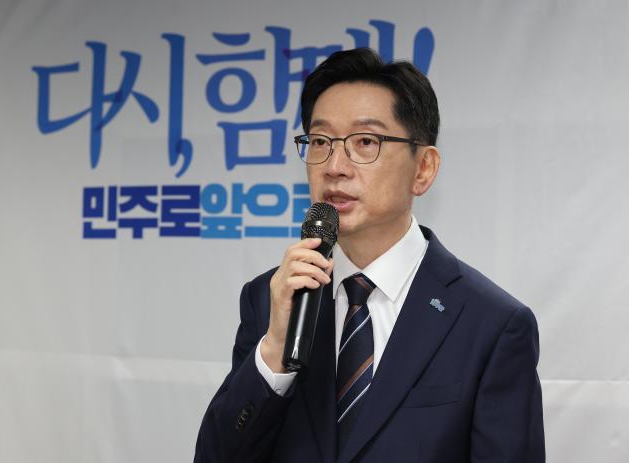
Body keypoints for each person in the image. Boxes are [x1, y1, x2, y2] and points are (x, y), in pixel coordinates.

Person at [193, 47, 545, 463]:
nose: (335, 166)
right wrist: (273, 354)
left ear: (423, 169)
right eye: (320, 141)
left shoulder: (492, 324)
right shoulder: (272, 298)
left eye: (365, 142)